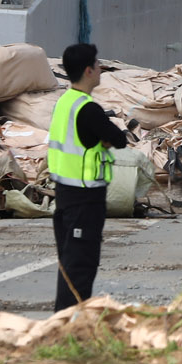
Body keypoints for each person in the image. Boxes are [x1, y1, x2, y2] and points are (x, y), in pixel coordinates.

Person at [47, 43, 128, 311]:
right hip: (84, 197)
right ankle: (70, 324)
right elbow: (119, 139)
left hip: (65, 192)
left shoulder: (65, 102)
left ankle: (66, 318)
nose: (101, 68)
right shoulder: (87, 109)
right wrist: (108, 139)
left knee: (70, 260)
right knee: (80, 263)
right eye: (98, 64)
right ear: (88, 70)